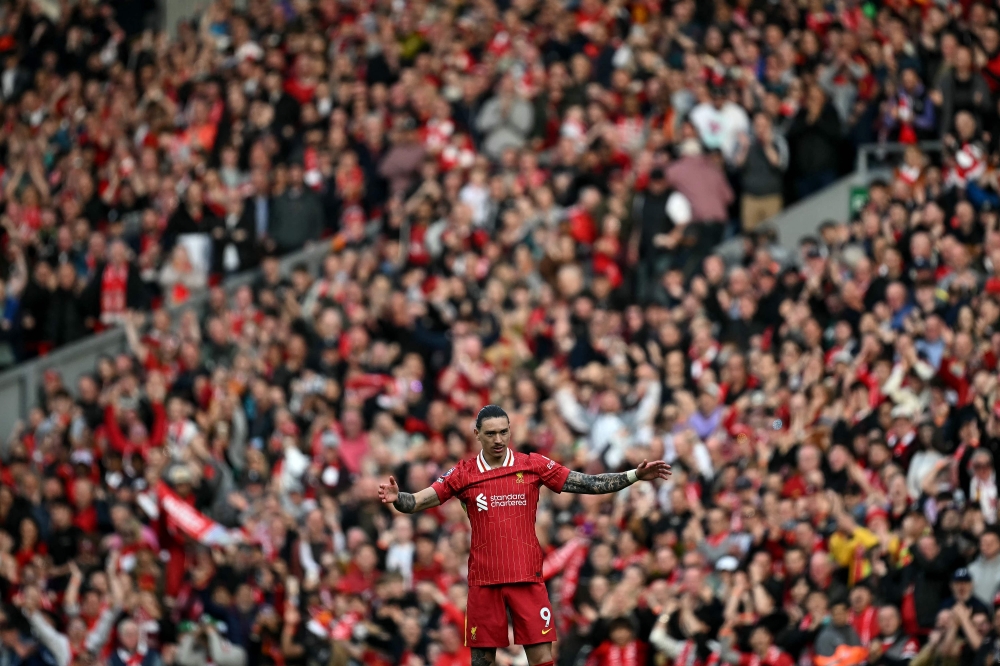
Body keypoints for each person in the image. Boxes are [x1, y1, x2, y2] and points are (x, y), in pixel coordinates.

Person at [377, 405, 671, 666]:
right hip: (485, 580)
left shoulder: (532, 464)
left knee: (541, 659)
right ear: (476, 433)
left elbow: (589, 484)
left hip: (526, 577)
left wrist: (633, 475)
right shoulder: (463, 473)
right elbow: (417, 501)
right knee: (482, 660)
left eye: (504, 432)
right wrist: (397, 497)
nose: (498, 440)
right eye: (491, 433)